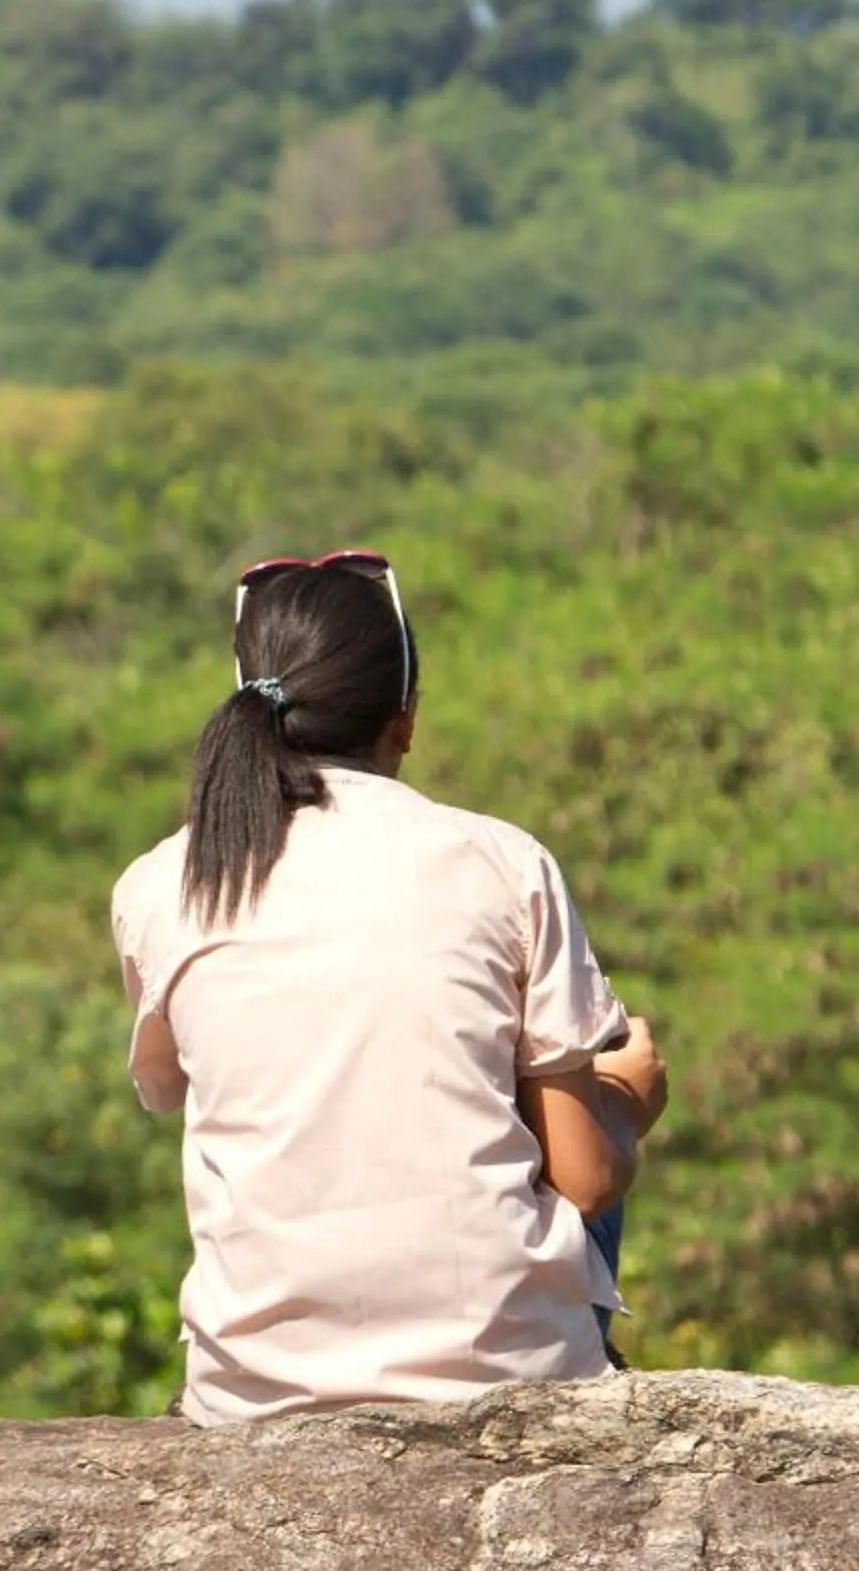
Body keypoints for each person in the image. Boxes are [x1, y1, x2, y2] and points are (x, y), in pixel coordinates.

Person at [110, 551, 671, 1426]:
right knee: (565, 1098)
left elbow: (188, 1087)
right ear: (403, 718)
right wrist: (628, 1103)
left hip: (254, 1387)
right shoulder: (502, 860)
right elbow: (587, 1181)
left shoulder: (162, 882)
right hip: (504, 1373)